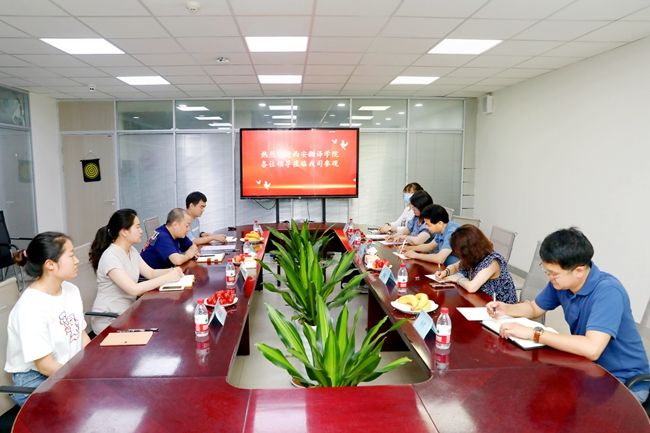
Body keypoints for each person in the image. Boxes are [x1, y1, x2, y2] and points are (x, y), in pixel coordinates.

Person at [487, 228, 650, 403]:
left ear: (579, 271)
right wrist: (506, 309)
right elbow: (534, 308)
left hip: (623, 382)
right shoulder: (561, 284)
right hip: (588, 369)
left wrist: (535, 334)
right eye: (547, 271)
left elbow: (592, 348)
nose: (550, 278)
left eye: (554, 273)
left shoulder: (608, 292)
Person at [5, 232, 90, 406]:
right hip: (36, 381)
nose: (77, 261)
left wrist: (93, 364)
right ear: (50, 264)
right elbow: (45, 365)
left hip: (66, 369)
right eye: (71, 255)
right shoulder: (30, 306)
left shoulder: (71, 290)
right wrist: (82, 379)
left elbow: (81, 335)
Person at [89, 209, 185, 335]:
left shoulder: (131, 250)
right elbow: (133, 289)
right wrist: (168, 277)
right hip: (110, 319)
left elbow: (151, 273)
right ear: (124, 232)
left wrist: (173, 271)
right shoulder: (110, 257)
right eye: (137, 227)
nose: (141, 231)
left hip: (128, 313)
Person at [434, 225, 517, 303]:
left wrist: (457, 279)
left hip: (501, 308)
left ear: (469, 250)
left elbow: (471, 287)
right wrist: (445, 272)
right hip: (481, 301)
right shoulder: (474, 256)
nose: (459, 256)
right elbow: (456, 267)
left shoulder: (492, 262)